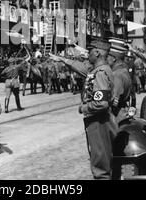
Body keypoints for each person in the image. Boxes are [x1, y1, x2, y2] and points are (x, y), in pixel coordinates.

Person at [50, 40, 117, 179]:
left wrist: (83, 107)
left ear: (97, 53)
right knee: (101, 159)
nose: (88, 54)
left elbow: (101, 103)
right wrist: (62, 59)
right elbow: (81, 68)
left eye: (90, 51)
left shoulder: (100, 73)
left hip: (99, 122)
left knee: (100, 165)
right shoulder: (98, 70)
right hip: (99, 120)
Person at [107, 42, 132, 120]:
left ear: (114, 58)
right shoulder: (124, 71)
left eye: (108, 56)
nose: (106, 59)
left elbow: (115, 99)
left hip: (117, 115)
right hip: (123, 110)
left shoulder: (116, 75)